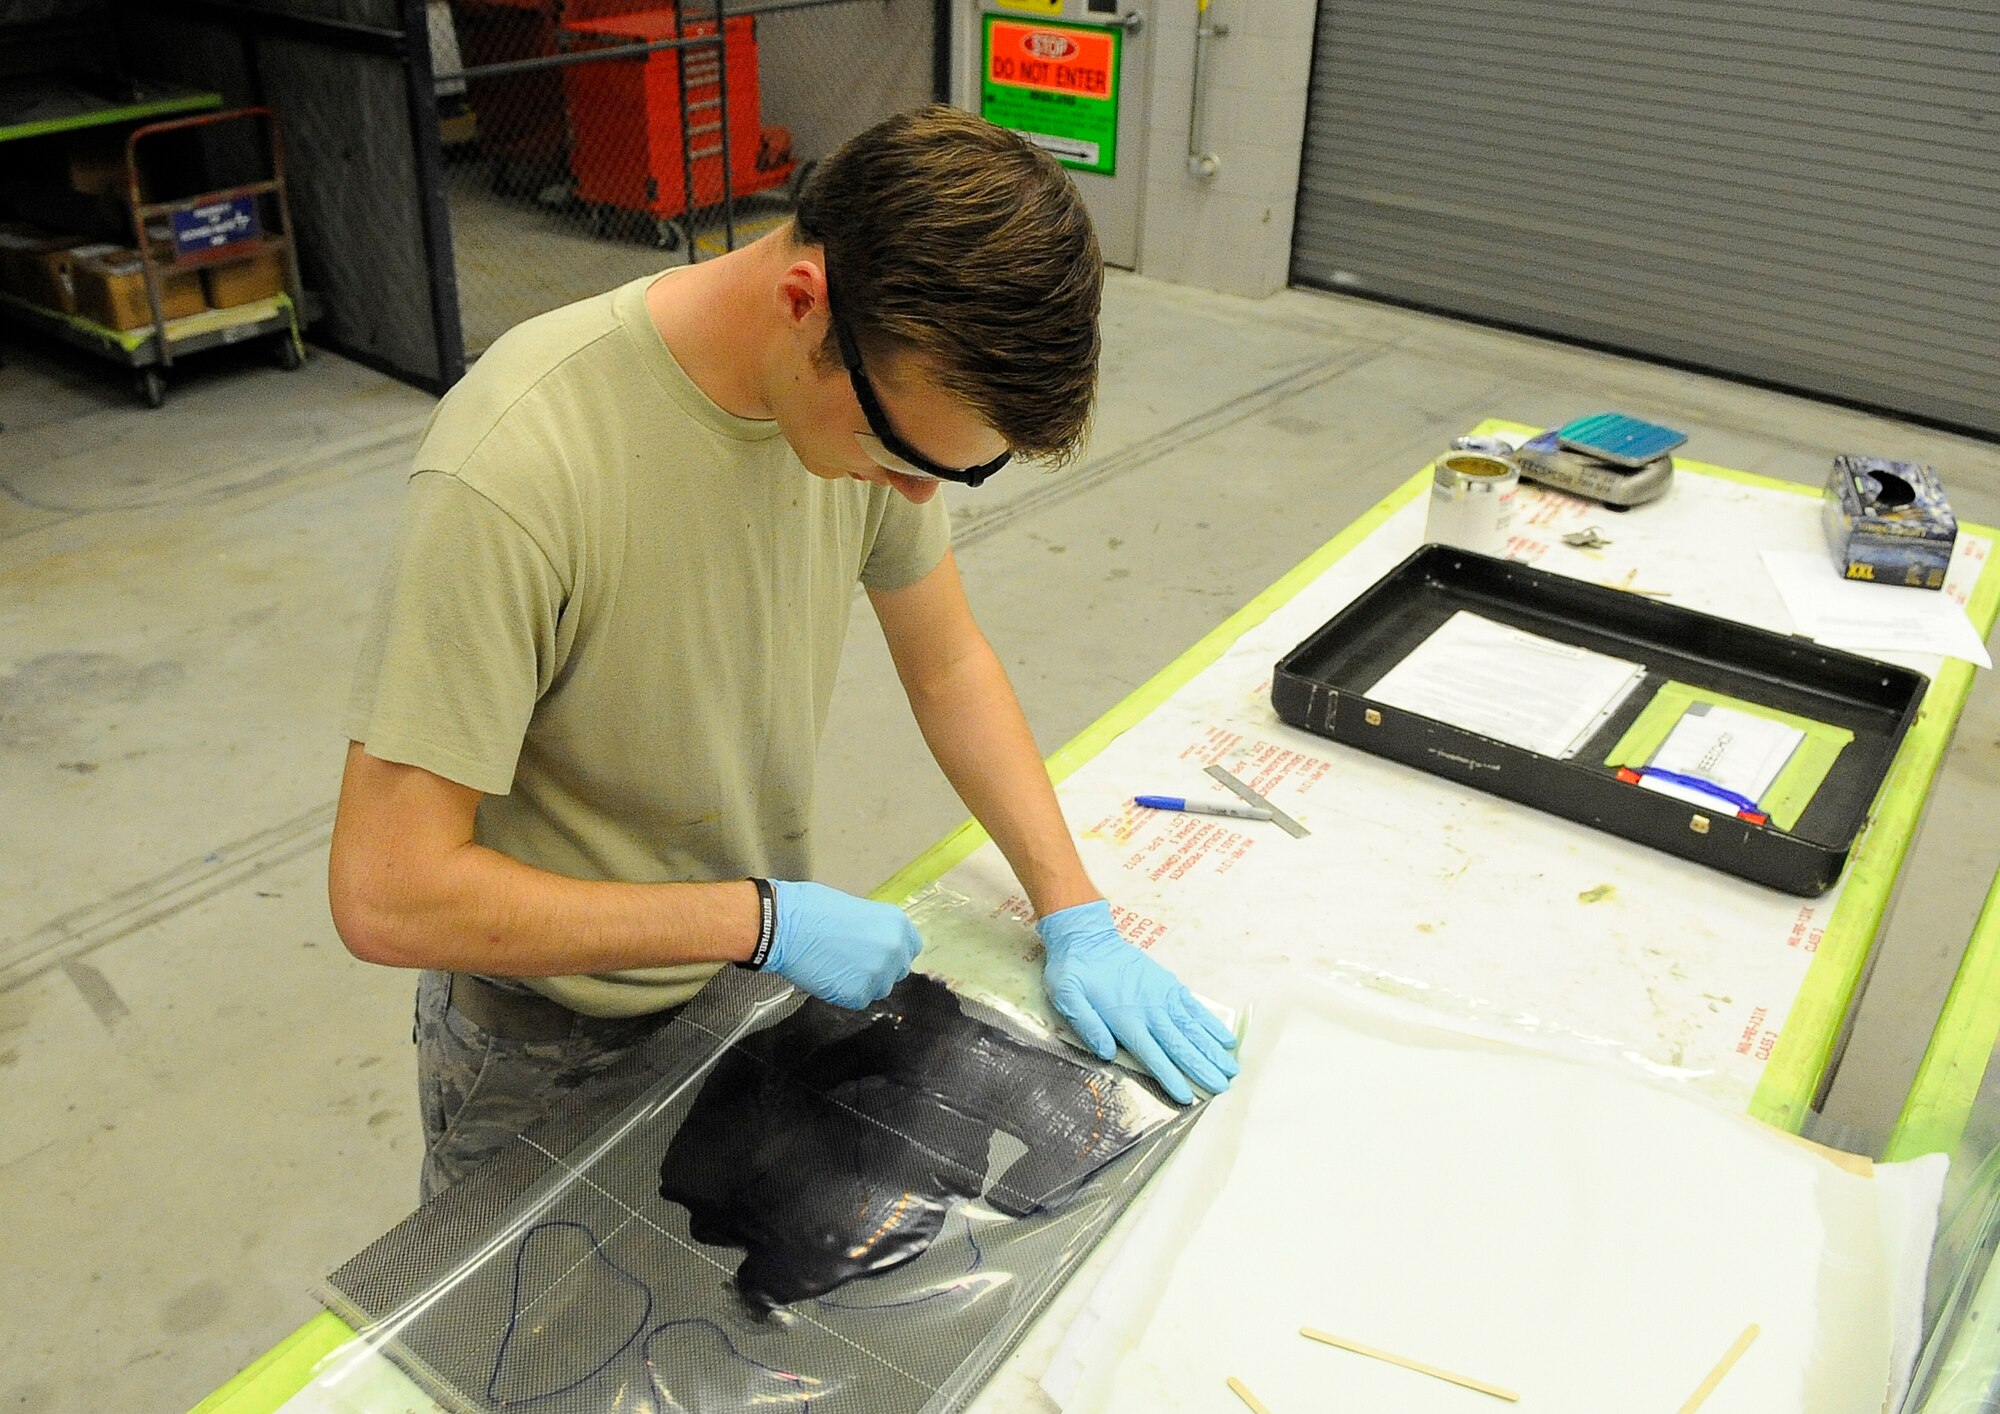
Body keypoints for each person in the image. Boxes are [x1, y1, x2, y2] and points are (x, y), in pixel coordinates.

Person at [328, 104, 1237, 1201]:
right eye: (904, 454)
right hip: (543, 1030)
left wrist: (1071, 911)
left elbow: (947, 665)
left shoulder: (863, 414)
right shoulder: (519, 464)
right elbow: (388, 890)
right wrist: (757, 918)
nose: (913, 494)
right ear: (804, 304)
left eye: (954, 472)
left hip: (739, 984)